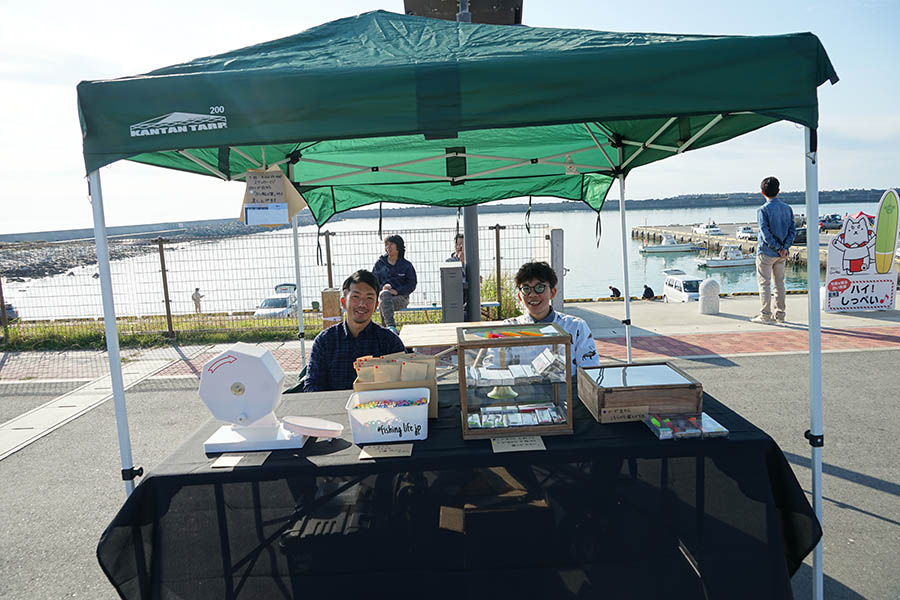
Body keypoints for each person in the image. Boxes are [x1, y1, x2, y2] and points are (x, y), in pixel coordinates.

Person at [304, 270, 406, 392]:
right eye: (355, 297)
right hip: (335, 403)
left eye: (369, 298)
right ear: (343, 302)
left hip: (378, 403)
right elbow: (312, 385)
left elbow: (405, 382)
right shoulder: (325, 341)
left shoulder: (390, 341)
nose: (362, 304)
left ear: (376, 306)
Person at [503, 261, 600, 374]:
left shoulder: (576, 326)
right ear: (519, 296)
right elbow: (493, 368)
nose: (532, 295)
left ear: (552, 292)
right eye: (526, 289)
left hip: (568, 386)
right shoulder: (507, 328)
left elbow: (590, 371)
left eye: (539, 287)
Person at [752, 176, 796, 324]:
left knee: (764, 284)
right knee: (779, 284)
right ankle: (780, 315)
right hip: (782, 254)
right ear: (778, 190)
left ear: (762, 192)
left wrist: (777, 247)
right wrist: (784, 248)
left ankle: (765, 315)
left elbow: (765, 234)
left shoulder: (763, 210)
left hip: (766, 252)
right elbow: (792, 231)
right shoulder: (787, 209)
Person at [372, 234, 417, 334]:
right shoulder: (379, 264)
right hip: (383, 297)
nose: (388, 247)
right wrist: (383, 288)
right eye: (386, 244)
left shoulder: (406, 265)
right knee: (384, 297)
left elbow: (412, 284)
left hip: (401, 298)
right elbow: (373, 282)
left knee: (384, 303)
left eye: (391, 244)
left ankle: (388, 330)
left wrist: (397, 291)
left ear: (398, 246)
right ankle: (391, 328)